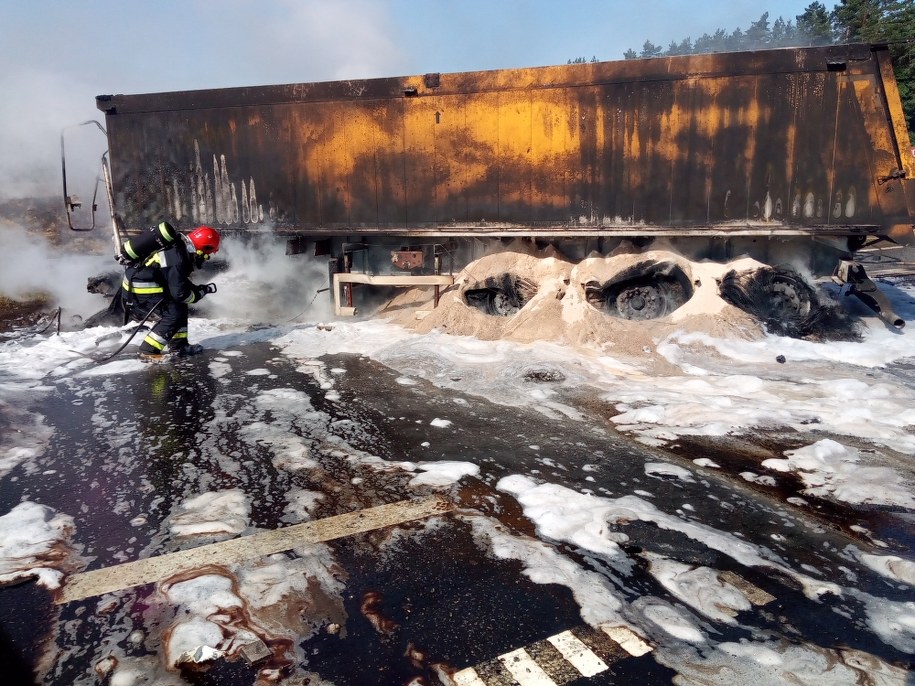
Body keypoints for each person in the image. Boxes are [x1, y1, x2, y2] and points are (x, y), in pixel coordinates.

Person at [121, 224, 220, 359]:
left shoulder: (179, 247)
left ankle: (179, 346)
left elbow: (176, 281)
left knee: (179, 307)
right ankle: (148, 350)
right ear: (204, 248)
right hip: (141, 289)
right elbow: (180, 294)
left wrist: (194, 289)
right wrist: (198, 294)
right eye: (208, 254)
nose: (207, 257)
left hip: (142, 283)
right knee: (173, 315)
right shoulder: (178, 258)